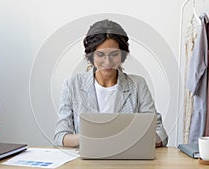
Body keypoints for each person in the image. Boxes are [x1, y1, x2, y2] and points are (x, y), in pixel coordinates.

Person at [53, 19, 168, 147]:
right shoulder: (73, 85)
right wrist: (90, 139)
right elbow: (60, 136)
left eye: (114, 54)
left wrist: (127, 140)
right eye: (100, 55)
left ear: (122, 55)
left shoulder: (138, 85)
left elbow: (160, 133)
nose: (107, 62)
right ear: (91, 55)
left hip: (127, 160)